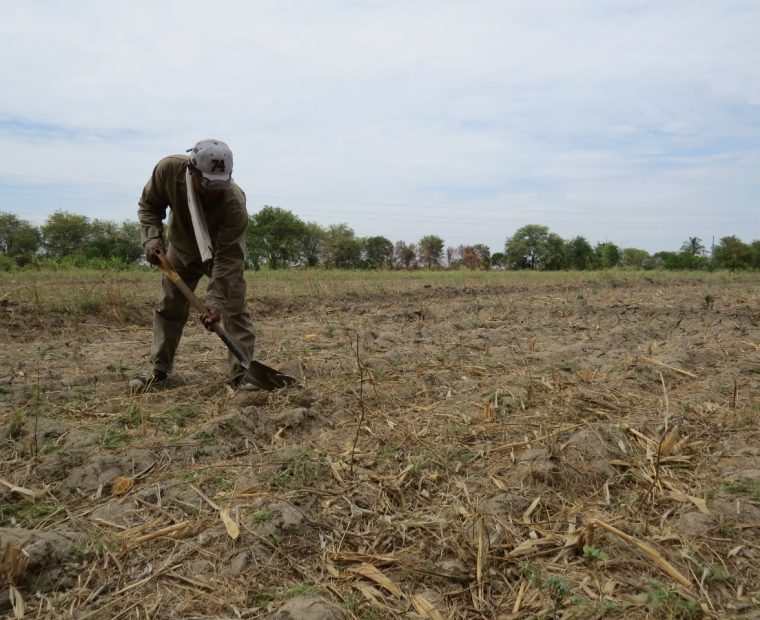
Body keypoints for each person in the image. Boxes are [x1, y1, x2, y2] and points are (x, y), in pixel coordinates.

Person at [130, 139, 255, 391]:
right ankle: (159, 369)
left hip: (220, 254)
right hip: (181, 249)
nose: (214, 192)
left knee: (234, 309)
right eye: (208, 184)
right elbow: (149, 206)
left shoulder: (233, 202)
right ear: (192, 170)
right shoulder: (168, 170)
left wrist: (215, 303)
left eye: (221, 184)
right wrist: (153, 240)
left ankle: (242, 374)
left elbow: (230, 257)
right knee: (169, 307)